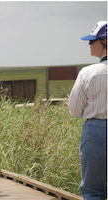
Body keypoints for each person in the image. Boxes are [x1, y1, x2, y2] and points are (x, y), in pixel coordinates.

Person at [68, 21, 107, 200]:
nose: (89, 44)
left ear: (105, 42)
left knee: (93, 191)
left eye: (93, 41)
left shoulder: (88, 73)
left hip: (96, 130)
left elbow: (74, 110)